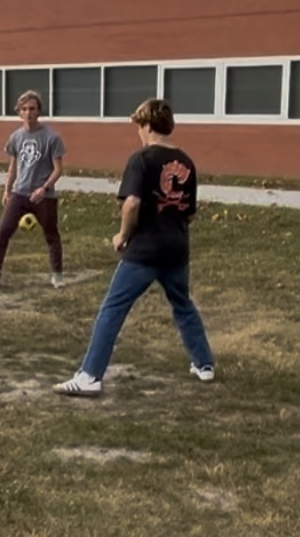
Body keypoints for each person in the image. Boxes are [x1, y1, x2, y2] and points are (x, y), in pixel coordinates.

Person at [54, 98, 214, 396]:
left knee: (112, 308)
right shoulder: (187, 162)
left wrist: (122, 235)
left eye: (139, 126)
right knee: (183, 305)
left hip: (145, 251)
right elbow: (190, 212)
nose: (138, 133)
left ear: (148, 125)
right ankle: (204, 364)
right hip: (177, 248)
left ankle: (90, 375)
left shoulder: (141, 159)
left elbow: (132, 203)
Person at [0, 89, 66, 289]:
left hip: (44, 196)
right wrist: (7, 190)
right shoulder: (16, 137)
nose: (28, 113)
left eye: (32, 109)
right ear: (19, 112)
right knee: (3, 231)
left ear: (39, 111)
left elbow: (58, 169)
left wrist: (44, 188)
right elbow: (13, 165)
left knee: (51, 235)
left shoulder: (52, 138)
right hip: (20, 192)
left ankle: (57, 274)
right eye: (24, 109)